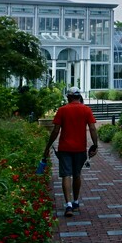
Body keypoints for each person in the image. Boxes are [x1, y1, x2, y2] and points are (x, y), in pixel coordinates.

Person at [43, 87, 98, 217]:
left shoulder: (62, 110)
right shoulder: (86, 110)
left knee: (66, 175)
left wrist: (48, 147)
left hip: (65, 148)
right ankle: (76, 202)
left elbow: (56, 131)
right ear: (79, 97)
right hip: (80, 148)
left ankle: (68, 205)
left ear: (68, 97)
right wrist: (95, 145)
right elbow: (92, 128)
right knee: (77, 174)